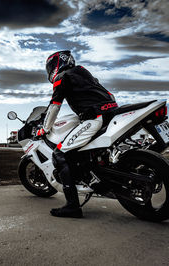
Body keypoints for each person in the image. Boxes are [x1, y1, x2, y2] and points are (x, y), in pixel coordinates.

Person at [36, 50, 118, 218]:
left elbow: (54, 106)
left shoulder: (62, 77)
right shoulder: (83, 72)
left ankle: (72, 206)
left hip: (95, 117)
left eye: (51, 67)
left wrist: (44, 129)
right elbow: (106, 94)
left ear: (56, 64)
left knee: (59, 154)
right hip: (112, 114)